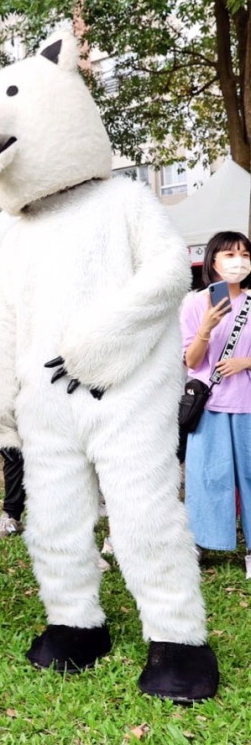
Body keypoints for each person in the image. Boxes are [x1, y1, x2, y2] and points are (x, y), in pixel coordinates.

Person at [179, 230, 251, 579]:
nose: (239, 262)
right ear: (212, 262)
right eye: (229, 255)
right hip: (210, 404)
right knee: (208, 476)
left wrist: (245, 362)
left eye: (245, 255)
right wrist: (207, 327)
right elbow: (192, 362)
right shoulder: (195, 304)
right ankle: (201, 541)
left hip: (248, 403)